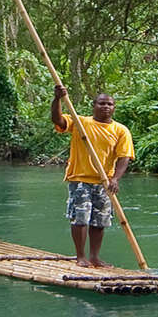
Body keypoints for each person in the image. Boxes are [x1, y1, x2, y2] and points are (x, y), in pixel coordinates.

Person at [51, 85, 135, 268]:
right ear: (94, 105)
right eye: (102, 103)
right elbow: (57, 120)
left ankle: (95, 257)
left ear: (114, 108)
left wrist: (115, 179)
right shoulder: (80, 122)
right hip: (80, 178)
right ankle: (80, 257)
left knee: (100, 220)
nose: (106, 107)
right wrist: (57, 98)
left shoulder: (121, 130)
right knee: (80, 218)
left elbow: (124, 157)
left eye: (110, 104)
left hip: (104, 182)